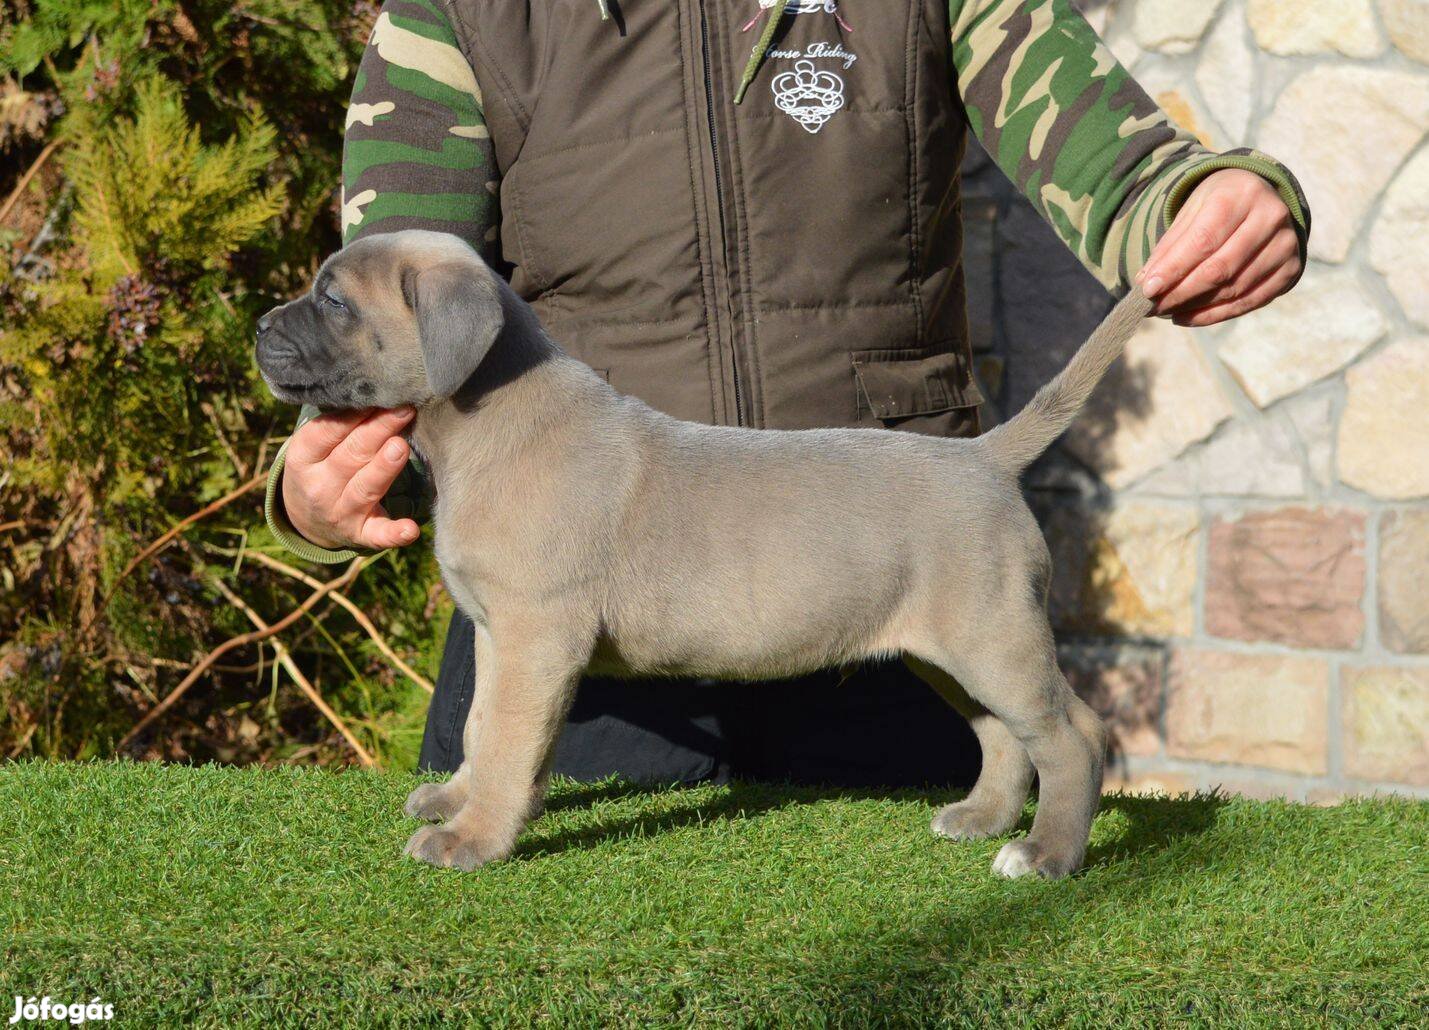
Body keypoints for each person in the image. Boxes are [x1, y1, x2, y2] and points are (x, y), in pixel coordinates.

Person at [264, 0, 1309, 786]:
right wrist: (322, 487)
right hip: (579, 671)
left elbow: (1121, 164)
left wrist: (1201, 197)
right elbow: (382, 319)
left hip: (881, 601)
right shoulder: (458, 10)